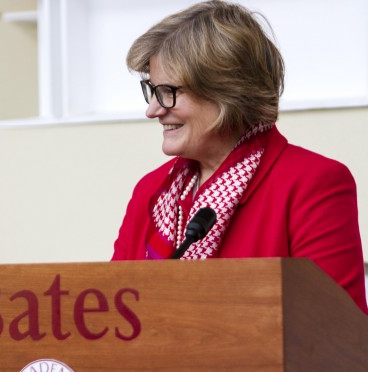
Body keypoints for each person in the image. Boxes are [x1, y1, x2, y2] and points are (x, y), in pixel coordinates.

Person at [111, 0, 368, 313]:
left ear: (226, 91)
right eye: (152, 90)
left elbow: (335, 334)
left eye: (169, 91)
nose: (153, 110)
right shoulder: (150, 191)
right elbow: (115, 318)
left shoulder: (312, 184)